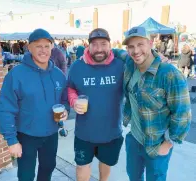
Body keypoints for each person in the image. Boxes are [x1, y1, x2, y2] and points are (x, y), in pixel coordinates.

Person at [0, 28, 69, 181]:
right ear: (29, 48)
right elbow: (5, 109)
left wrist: (66, 110)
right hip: (26, 135)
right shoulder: (16, 75)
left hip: (51, 134)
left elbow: (64, 99)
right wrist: (12, 140)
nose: (43, 50)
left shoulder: (58, 75)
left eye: (46, 46)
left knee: (48, 167)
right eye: (38, 46)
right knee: (26, 174)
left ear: (52, 48)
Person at [122, 26, 192, 181]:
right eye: (131, 47)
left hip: (157, 143)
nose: (136, 51)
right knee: (133, 177)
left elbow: (182, 114)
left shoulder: (169, 73)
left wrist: (168, 143)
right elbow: (113, 53)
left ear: (151, 43)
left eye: (140, 44)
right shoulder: (130, 65)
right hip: (134, 139)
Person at [68, 28, 124, 181]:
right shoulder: (77, 66)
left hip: (111, 131)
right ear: (88, 46)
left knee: (106, 163)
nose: (99, 49)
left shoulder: (121, 65)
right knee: (82, 165)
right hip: (84, 132)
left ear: (110, 45)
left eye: (103, 44)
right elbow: (70, 88)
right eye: (95, 44)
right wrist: (73, 100)